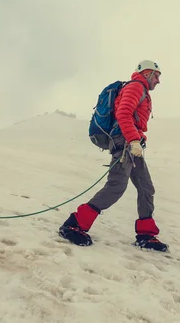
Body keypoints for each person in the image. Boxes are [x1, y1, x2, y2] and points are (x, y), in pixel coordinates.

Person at [58, 60, 168, 252]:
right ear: (148, 73)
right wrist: (133, 140)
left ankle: (146, 234)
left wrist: (136, 141)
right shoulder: (136, 87)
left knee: (146, 187)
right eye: (157, 75)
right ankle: (74, 224)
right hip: (124, 142)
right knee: (116, 186)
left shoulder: (141, 90)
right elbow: (123, 113)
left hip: (132, 144)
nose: (158, 81)